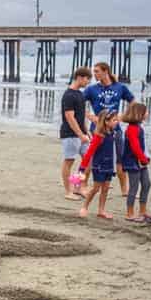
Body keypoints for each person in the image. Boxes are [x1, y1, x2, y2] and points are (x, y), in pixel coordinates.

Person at [84, 62, 134, 196]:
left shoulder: (120, 87)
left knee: (119, 159)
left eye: (97, 71)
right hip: (97, 129)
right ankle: (83, 185)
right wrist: (89, 115)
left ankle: (125, 189)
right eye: (94, 71)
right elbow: (78, 103)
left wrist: (123, 116)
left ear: (106, 71)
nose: (94, 74)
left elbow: (133, 102)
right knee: (92, 158)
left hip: (115, 129)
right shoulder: (92, 89)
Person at [77, 109, 120, 219]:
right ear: (106, 121)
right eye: (114, 120)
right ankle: (84, 207)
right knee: (96, 188)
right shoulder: (99, 136)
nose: (117, 122)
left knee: (105, 189)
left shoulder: (113, 134)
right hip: (99, 166)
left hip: (109, 166)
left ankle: (101, 210)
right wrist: (82, 168)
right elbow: (89, 153)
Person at [60, 67, 93, 200]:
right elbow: (70, 117)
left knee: (89, 160)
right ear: (79, 77)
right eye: (87, 79)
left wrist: (87, 131)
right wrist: (80, 134)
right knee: (69, 161)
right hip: (70, 134)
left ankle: (77, 186)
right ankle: (68, 191)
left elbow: (81, 116)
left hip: (82, 134)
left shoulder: (80, 94)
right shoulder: (68, 95)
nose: (88, 82)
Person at [120, 102, 151, 222]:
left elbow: (141, 146)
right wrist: (143, 159)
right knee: (134, 187)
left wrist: (144, 158)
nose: (148, 114)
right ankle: (129, 213)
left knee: (147, 184)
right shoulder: (132, 129)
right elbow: (135, 147)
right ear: (139, 114)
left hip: (140, 161)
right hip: (133, 162)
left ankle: (143, 211)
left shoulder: (139, 127)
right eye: (146, 112)